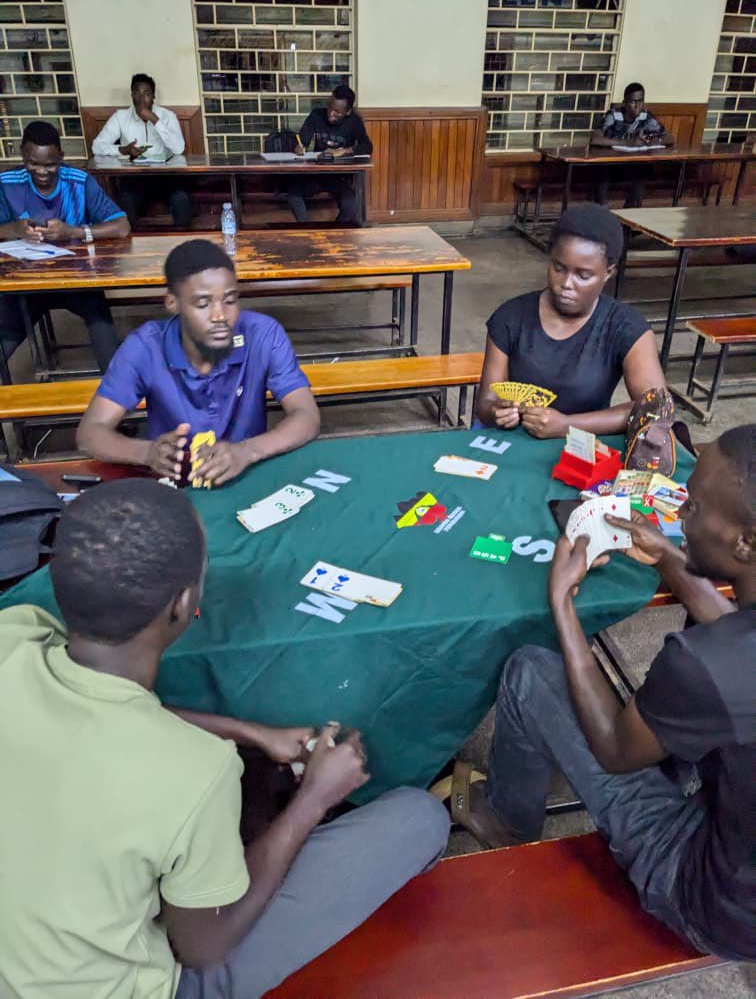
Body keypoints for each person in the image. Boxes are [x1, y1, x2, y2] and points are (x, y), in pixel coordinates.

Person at [0, 478, 450, 998]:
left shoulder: (14, 634)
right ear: (184, 603)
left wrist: (249, 732)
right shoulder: (197, 770)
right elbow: (204, 947)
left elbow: (97, 700)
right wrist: (313, 800)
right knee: (418, 819)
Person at [463, 424, 755, 963]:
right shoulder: (731, 650)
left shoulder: (707, 664)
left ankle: (506, 819)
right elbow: (737, 635)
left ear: (745, 542)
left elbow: (614, 750)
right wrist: (670, 555)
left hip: (715, 902)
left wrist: (562, 604)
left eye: (693, 508)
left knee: (530, 670)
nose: (678, 511)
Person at [77, 238, 320, 486]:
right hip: (173, 485)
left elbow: (306, 415)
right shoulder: (146, 346)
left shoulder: (262, 334)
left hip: (247, 476)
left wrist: (247, 451)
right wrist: (147, 453)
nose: (220, 316)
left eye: (230, 300)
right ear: (172, 302)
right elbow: (90, 433)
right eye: (202, 303)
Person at [476, 203, 666, 439]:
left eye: (583, 275)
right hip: (515, 441)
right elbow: (485, 404)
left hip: (586, 444)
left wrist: (568, 425)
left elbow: (655, 408)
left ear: (608, 273)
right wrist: (497, 412)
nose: (566, 283)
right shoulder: (511, 318)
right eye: (558, 268)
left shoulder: (625, 328)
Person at [0, 120, 129, 375]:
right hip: (24, 286)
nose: (41, 171)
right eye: (32, 163)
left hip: (77, 281)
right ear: (22, 156)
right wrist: (14, 230)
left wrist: (74, 231)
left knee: (107, 343)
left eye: (50, 164)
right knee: (5, 338)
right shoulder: (6, 183)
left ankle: (120, 399)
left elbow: (122, 225)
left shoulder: (79, 181)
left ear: (61, 156)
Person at [92, 73, 192, 229]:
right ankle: (130, 247)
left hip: (167, 177)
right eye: (136, 93)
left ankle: (184, 245)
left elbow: (178, 148)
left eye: (146, 93)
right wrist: (122, 150)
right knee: (125, 201)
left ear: (153, 96)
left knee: (181, 199)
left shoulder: (167, 116)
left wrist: (154, 119)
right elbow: (97, 146)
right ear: (131, 95)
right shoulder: (121, 117)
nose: (141, 98)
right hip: (134, 178)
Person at [287, 84, 372, 224]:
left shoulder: (354, 122)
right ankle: (307, 231)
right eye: (330, 107)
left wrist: (344, 151)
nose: (331, 114)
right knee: (293, 196)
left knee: (351, 204)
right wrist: (299, 146)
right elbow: (302, 141)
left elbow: (367, 146)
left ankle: (333, 234)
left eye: (337, 112)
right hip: (315, 173)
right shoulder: (316, 115)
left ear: (348, 111)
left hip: (339, 177)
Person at [590, 82, 675, 208]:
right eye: (633, 102)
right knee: (602, 172)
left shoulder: (645, 117)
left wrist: (653, 141)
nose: (637, 106)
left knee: (643, 172)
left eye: (640, 102)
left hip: (631, 164)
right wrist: (628, 143)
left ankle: (630, 213)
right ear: (625, 102)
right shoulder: (614, 115)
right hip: (610, 164)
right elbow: (595, 139)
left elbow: (669, 137)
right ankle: (601, 211)